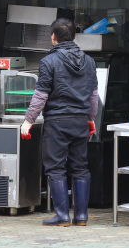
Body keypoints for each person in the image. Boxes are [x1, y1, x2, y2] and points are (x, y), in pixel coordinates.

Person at [21, 18, 98, 227]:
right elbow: (93, 96)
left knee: (56, 167)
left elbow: (40, 95)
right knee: (80, 167)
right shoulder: (90, 61)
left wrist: (28, 121)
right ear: (73, 36)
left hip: (57, 122)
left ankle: (62, 215)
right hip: (80, 121)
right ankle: (81, 217)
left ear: (53, 37)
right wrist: (91, 119)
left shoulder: (49, 61)